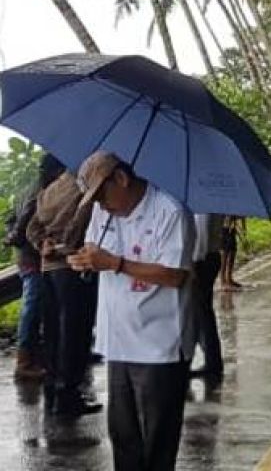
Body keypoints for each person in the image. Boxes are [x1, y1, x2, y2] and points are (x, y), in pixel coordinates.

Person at [67, 151, 196, 471]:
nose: (99, 204)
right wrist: (84, 260)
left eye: (101, 194)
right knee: (123, 435)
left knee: (158, 439)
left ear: (121, 179)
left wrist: (115, 263)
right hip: (118, 340)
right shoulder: (104, 214)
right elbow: (95, 252)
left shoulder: (170, 211)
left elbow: (174, 275)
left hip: (160, 343)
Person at [26, 161, 101, 417]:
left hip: (47, 269)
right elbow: (80, 222)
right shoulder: (83, 186)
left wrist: (42, 244)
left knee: (53, 331)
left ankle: (52, 385)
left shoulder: (49, 190)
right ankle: (68, 395)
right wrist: (64, 246)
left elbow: (31, 227)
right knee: (75, 332)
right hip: (71, 265)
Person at [5, 155, 60, 381]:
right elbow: (22, 225)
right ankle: (24, 360)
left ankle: (34, 355)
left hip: (29, 256)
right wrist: (19, 239)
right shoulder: (40, 192)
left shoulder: (29, 188)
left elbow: (11, 218)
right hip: (32, 257)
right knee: (33, 305)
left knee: (39, 304)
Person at [191, 214, 225, 379]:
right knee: (201, 311)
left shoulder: (203, 206)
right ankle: (210, 358)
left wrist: (195, 262)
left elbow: (202, 232)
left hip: (202, 260)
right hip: (210, 255)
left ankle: (212, 360)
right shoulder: (213, 198)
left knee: (201, 312)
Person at [219, 216, 244, 291]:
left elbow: (240, 216)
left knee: (232, 253)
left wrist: (242, 228)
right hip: (224, 229)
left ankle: (229, 278)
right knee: (224, 256)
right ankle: (223, 281)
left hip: (232, 229)